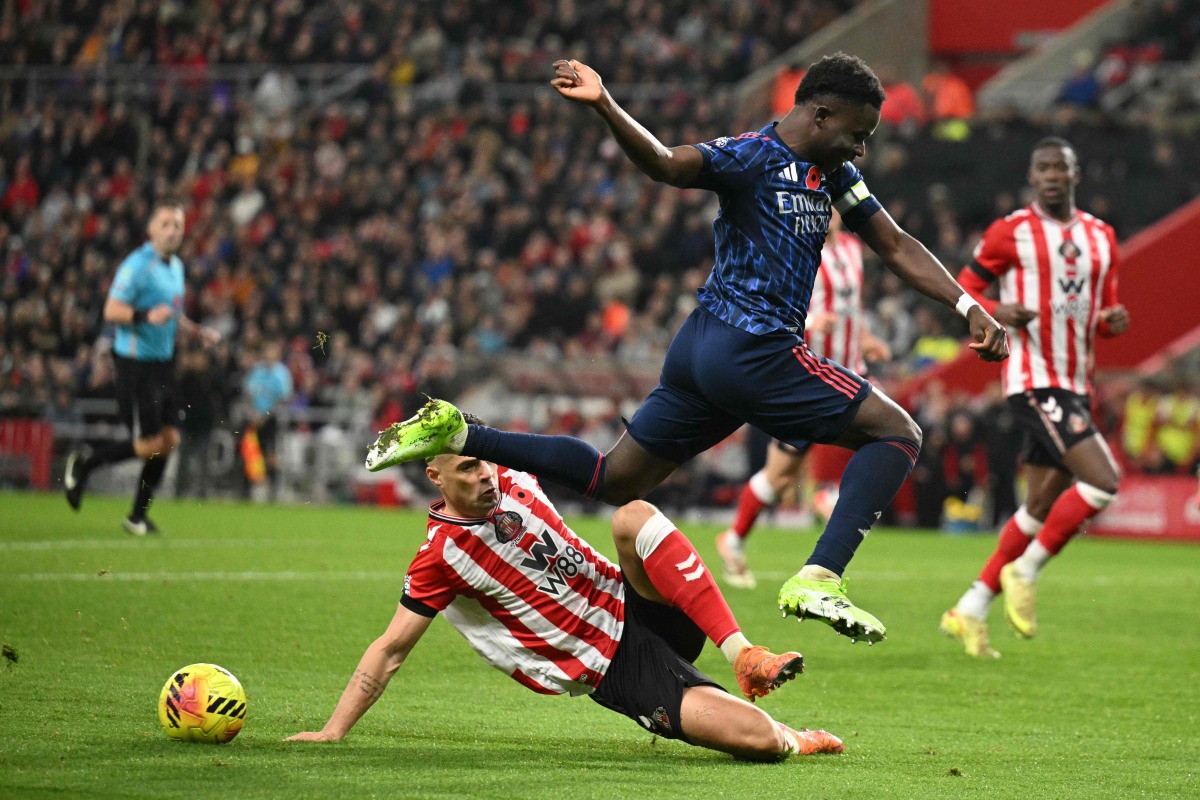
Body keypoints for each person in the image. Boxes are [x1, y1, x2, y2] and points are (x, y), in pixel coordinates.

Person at [367, 53, 1008, 645]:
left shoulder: (835, 174)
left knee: (613, 479)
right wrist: (606, 105)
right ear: (820, 113)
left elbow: (895, 245)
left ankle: (462, 434)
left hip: (701, 347)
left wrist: (967, 305)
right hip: (752, 348)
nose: (864, 146)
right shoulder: (751, 155)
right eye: (858, 131)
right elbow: (669, 164)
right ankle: (820, 575)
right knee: (897, 433)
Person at [287, 415, 843, 761]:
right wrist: (333, 731)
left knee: (633, 517)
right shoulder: (441, 557)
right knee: (759, 740)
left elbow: (567, 456)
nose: (484, 475)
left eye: (484, 461)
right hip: (610, 663)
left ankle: (743, 653)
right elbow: (390, 650)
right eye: (467, 469)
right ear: (435, 478)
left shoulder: (511, 474)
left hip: (634, 600)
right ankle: (795, 735)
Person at [940, 138, 1129, 658]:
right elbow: (962, 289)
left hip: (1076, 382)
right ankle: (1025, 570)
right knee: (1103, 481)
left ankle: (971, 608)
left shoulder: (1101, 237)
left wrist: (1113, 322)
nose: (1051, 175)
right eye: (1042, 167)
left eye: (1059, 167)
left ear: (1075, 174)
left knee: (1039, 503)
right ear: (1032, 175)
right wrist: (1000, 305)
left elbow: (1104, 314)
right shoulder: (1011, 232)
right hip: (1033, 377)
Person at [716, 208, 893, 589]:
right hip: (808, 376)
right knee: (780, 476)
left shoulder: (851, 248)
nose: (828, 213)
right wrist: (812, 322)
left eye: (832, 206)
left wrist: (865, 339)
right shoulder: (797, 250)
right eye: (821, 205)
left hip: (852, 370)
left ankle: (828, 492)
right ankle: (734, 539)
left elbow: (854, 308)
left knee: (886, 432)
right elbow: (771, 305)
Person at [63, 199, 220, 534]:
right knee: (150, 444)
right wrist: (145, 316)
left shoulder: (175, 267)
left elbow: (173, 313)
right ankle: (86, 462)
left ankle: (137, 516)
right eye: (165, 223)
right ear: (150, 230)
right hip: (136, 366)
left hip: (163, 364)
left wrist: (196, 332)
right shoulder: (136, 266)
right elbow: (111, 310)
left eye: (178, 224)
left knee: (170, 439)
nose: (173, 230)